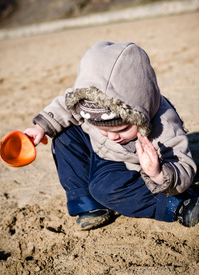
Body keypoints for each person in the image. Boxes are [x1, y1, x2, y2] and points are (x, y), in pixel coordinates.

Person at [24, 41, 198, 230]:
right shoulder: (88, 104)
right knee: (63, 133)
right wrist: (41, 127)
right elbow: (65, 106)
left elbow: (183, 165)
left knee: (105, 189)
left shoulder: (164, 125)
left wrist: (157, 173)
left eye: (121, 130)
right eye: (103, 129)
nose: (112, 136)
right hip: (98, 149)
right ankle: (88, 203)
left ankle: (178, 204)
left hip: (126, 167)